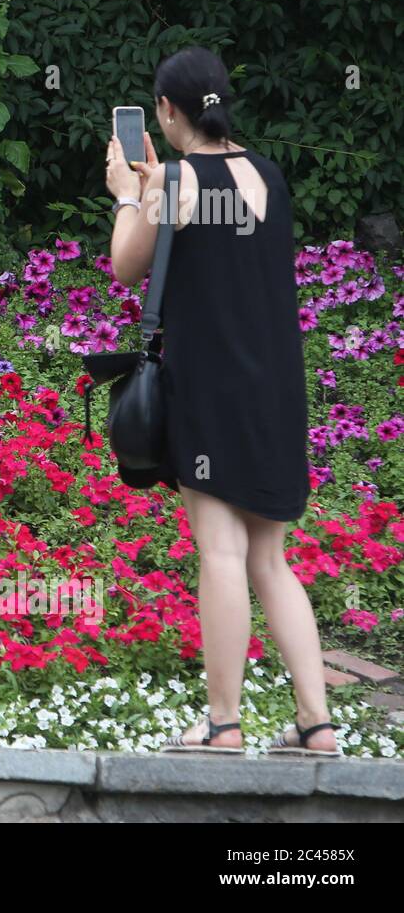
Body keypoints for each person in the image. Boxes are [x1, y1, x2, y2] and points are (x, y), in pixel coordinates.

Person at [103, 46, 340, 758]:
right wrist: (157, 187)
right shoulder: (268, 174)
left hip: (210, 385)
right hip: (275, 388)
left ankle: (223, 724)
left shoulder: (172, 178)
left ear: (168, 112)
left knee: (221, 552)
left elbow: (126, 264)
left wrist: (126, 191)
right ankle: (317, 723)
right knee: (271, 558)